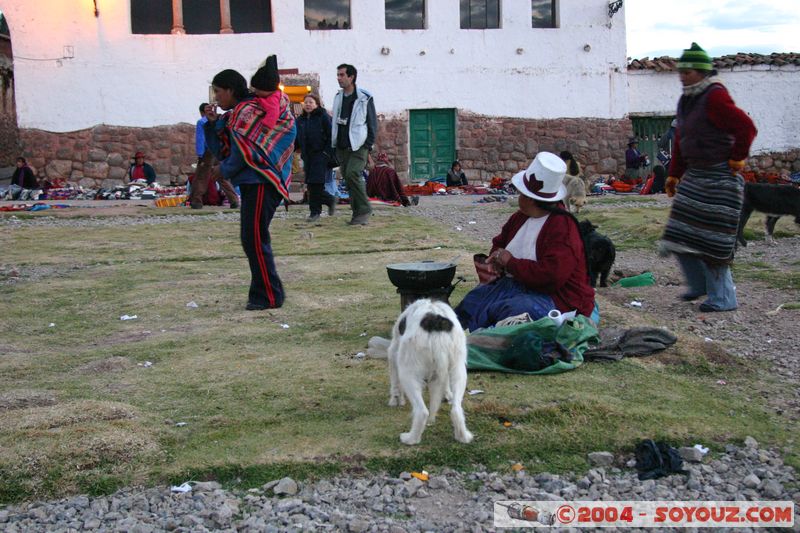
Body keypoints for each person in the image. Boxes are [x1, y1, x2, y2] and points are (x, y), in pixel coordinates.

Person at [660, 42, 757, 313]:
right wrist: (674, 175)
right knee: (678, 234)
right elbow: (680, 140)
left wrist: (738, 156)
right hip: (696, 175)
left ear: (702, 72)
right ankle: (699, 285)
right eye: (680, 71)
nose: (682, 76)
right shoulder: (687, 100)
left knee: (713, 241)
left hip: (721, 176)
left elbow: (746, 127)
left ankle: (723, 298)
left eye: (687, 71)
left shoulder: (715, 96)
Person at [454, 152, 596, 332]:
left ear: (530, 199)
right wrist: (496, 258)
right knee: (474, 300)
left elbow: (551, 276)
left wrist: (510, 262)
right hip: (517, 285)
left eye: (521, 194)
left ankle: (486, 338)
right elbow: (500, 243)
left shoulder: (563, 228)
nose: (518, 197)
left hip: (553, 297)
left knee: (513, 310)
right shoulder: (519, 218)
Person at [203, 60, 296, 311]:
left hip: (262, 182)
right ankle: (264, 293)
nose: (216, 97)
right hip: (253, 182)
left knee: (254, 238)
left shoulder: (248, 112)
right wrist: (212, 124)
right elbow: (225, 150)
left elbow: (247, 152)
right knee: (253, 238)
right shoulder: (236, 115)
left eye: (218, 91)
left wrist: (223, 170)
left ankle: (269, 295)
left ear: (231, 90)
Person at [331, 63, 377, 226]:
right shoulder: (338, 97)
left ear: (351, 77)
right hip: (342, 145)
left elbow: (372, 122)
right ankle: (357, 213)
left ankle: (364, 209)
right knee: (348, 179)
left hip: (359, 145)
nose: (339, 78)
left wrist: (368, 145)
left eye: (342, 75)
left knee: (353, 174)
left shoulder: (364, 98)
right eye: (338, 75)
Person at [296, 93, 337, 222]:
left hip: (320, 155)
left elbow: (331, 136)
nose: (308, 104)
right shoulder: (300, 120)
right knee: (311, 184)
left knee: (316, 184)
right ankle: (330, 200)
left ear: (317, 104)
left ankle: (315, 213)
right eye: (306, 102)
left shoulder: (323, 117)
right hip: (307, 156)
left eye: (311, 102)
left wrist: (327, 153)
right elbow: (297, 139)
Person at [191, 102, 239, 209]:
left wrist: (200, 153)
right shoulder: (218, 120)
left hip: (207, 152)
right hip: (218, 150)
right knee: (221, 176)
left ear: (201, 112)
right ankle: (234, 199)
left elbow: (200, 138)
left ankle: (196, 200)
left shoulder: (201, 122)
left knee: (201, 176)